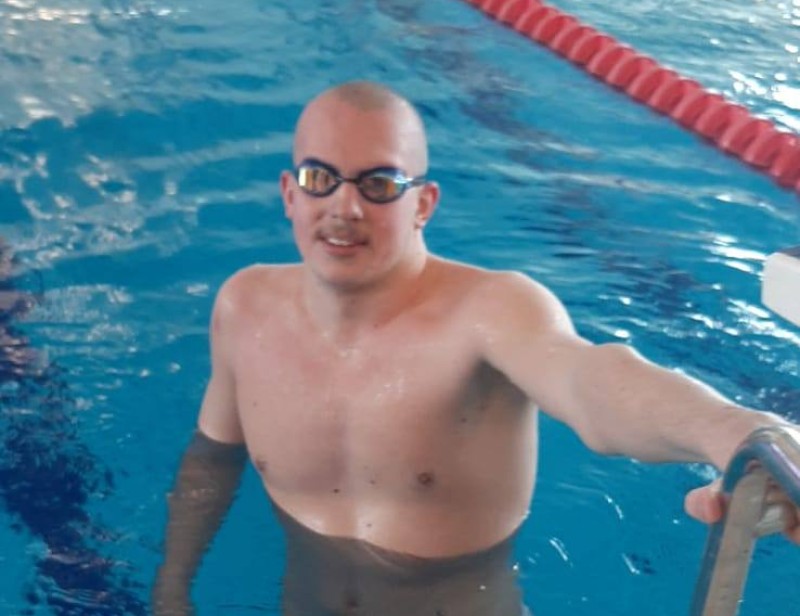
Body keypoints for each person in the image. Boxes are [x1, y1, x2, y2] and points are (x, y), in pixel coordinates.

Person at [152, 81, 799, 615]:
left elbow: (589, 381)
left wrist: (735, 431)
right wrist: (172, 587)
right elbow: (211, 461)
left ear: (423, 204)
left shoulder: (491, 311)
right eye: (320, 177)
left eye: (379, 184)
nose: (344, 206)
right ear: (290, 194)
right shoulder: (244, 308)